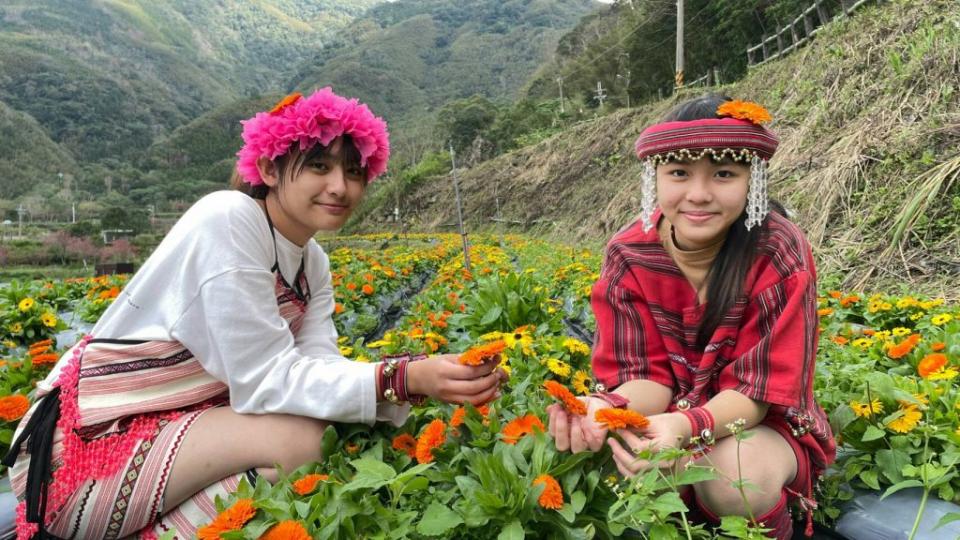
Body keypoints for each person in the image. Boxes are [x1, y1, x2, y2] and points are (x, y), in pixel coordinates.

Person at [4, 87, 505, 540]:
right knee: (300, 442)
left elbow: (319, 365)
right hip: (81, 454)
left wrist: (419, 374)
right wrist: (403, 377)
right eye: (318, 166)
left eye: (354, 172)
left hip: (178, 426)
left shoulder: (312, 262)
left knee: (326, 435)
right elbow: (267, 380)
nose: (339, 187)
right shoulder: (230, 219)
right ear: (268, 170)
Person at [547, 94, 835, 539]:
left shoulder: (777, 249)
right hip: (668, 418)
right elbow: (647, 377)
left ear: (751, 178)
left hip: (758, 426)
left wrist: (686, 428)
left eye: (724, 174)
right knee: (612, 455)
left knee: (733, 475)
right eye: (679, 173)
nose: (699, 195)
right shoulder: (629, 254)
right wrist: (605, 409)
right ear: (654, 177)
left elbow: (758, 391)